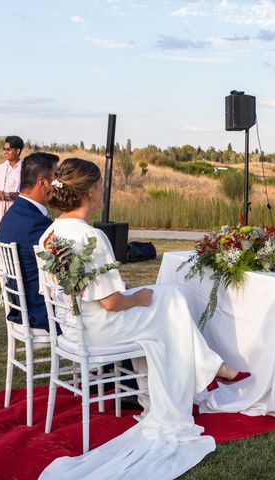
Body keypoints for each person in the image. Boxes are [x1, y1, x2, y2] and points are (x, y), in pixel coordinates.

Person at [38, 158, 248, 480]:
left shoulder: (51, 234)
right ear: (90, 192)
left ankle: (206, 368)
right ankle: (207, 370)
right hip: (101, 328)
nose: (103, 189)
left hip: (73, 326)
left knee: (166, 300)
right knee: (169, 309)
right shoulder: (91, 237)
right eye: (100, 185)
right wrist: (136, 299)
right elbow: (111, 302)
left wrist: (141, 296)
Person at [0, 152, 59, 331]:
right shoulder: (35, 223)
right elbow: (60, 270)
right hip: (40, 311)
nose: (59, 183)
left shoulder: (15, 213)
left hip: (21, 308)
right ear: (43, 182)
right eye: (56, 176)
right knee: (101, 318)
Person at [0, 135, 24, 236]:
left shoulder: (26, 169)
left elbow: (30, 189)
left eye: (8, 149)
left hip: (17, 208)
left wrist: (20, 195)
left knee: (15, 238)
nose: (5, 152)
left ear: (17, 151)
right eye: (4, 149)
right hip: (0, 208)